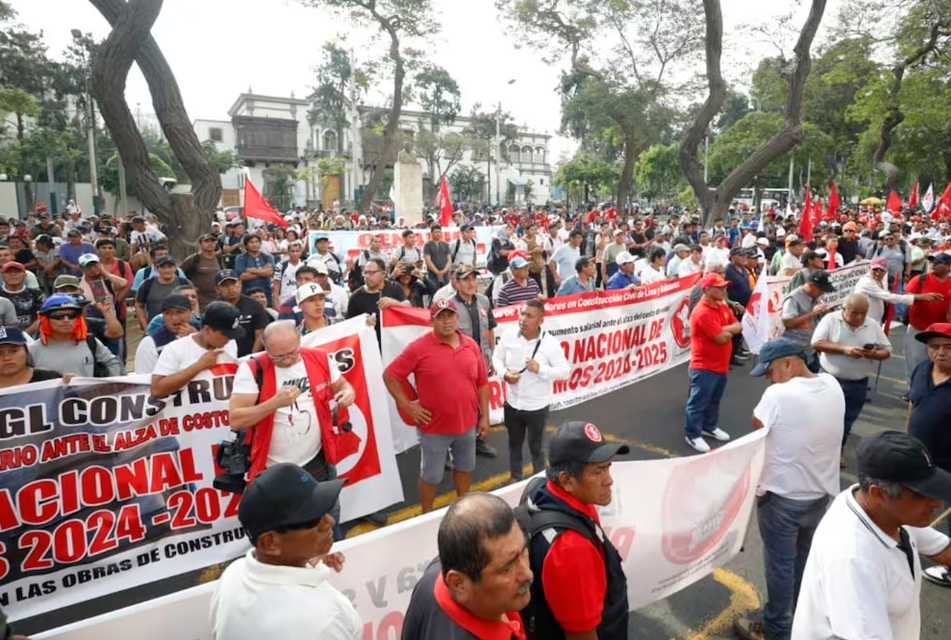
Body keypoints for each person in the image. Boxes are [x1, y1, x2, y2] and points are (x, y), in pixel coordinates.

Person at [791, 431, 951, 640]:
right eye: (921, 494)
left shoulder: (885, 513)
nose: (937, 503)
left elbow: (944, 550)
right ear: (879, 494)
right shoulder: (854, 559)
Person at [735, 338, 844, 640]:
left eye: (769, 371)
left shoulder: (778, 395)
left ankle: (778, 629)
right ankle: (800, 614)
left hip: (782, 497)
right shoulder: (833, 383)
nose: (768, 379)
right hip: (819, 494)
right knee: (805, 559)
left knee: (780, 566)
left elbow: (759, 423)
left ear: (788, 363)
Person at [229, 321, 356, 538]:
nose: (287, 360)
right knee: (285, 530)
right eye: (278, 357)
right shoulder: (252, 369)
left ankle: (334, 558)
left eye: (292, 353)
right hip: (273, 469)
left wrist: (348, 393)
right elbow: (236, 420)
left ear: (300, 343)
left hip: (317, 459)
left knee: (329, 518)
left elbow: (343, 385)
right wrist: (274, 403)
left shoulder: (318, 357)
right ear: (265, 349)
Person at [210, 463, 359, 640]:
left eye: (324, 511)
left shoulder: (233, 575)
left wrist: (307, 561)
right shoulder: (325, 620)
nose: (329, 522)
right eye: (312, 520)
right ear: (270, 543)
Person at [518, 421, 630, 640]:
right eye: (597, 472)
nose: (609, 480)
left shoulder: (542, 488)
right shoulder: (572, 550)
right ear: (566, 480)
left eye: (608, 467)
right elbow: (581, 634)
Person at [383, 300, 490, 513]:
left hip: (467, 424)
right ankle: (426, 514)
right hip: (433, 429)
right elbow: (390, 375)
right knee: (431, 476)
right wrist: (406, 405)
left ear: (457, 318)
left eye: (450, 315)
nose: (446, 321)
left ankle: (464, 510)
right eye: (440, 317)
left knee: (464, 469)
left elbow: (482, 384)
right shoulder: (418, 348)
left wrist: (485, 416)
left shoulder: (471, 345)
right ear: (431, 321)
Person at [402, 493, 532, 640]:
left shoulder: (440, 572)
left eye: (523, 552)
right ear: (458, 583)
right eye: (507, 569)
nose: (528, 574)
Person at [492, 300, 570, 482]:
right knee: (514, 444)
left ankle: (540, 482)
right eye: (522, 314)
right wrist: (504, 374)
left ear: (540, 321)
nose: (523, 319)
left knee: (537, 448)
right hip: (512, 404)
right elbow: (497, 358)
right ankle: (515, 477)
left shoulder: (550, 343)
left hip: (537, 407)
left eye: (529, 316)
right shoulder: (508, 335)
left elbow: (565, 372)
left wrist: (541, 369)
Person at [811, 294, 892, 461]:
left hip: (858, 383)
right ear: (844, 309)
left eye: (863, 313)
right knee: (822, 417)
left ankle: (837, 451)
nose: (860, 317)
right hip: (830, 379)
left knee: (846, 420)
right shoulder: (831, 320)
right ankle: (816, 451)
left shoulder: (872, 325)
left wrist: (873, 354)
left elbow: (887, 351)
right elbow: (817, 343)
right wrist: (844, 350)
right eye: (855, 313)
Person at [684, 272, 741, 452]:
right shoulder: (702, 312)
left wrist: (726, 329)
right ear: (708, 290)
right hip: (704, 366)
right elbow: (720, 338)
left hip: (720, 364)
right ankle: (692, 434)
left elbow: (738, 326)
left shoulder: (722, 306)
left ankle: (709, 426)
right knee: (698, 402)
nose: (724, 290)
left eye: (725, 287)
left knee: (714, 400)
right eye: (720, 287)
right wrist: (728, 330)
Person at [151, 301, 242, 398]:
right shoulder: (175, 349)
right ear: (207, 329)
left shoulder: (231, 343)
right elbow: (157, 390)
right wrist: (199, 366)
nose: (229, 339)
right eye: (225, 334)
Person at [29, 295, 122, 377]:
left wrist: (109, 387)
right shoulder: (32, 350)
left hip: (87, 396)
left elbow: (113, 363)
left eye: (71, 315)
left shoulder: (90, 342)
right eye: (58, 316)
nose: (66, 320)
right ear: (45, 319)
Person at [903, 253, 951, 387]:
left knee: (938, 362)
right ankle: (912, 390)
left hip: (940, 334)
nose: (933, 264)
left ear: (947, 266)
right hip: (918, 328)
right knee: (915, 361)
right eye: (932, 262)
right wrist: (922, 297)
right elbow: (905, 295)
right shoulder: (920, 279)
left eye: (938, 262)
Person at [853, 256, 940, 326]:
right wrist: (919, 297)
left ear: (886, 271)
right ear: (869, 268)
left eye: (881, 270)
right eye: (875, 270)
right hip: (864, 323)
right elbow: (889, 297)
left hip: (874, 322)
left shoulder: (880, 280)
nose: (878, 273)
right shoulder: (866, 282)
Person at [781, 270, 836, 371]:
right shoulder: (794, 298)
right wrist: (813, 313)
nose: (822, 293)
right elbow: (788, 322)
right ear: (811, 285)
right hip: (795, 349)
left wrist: (825, 312)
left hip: (810, 348)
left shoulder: (816, 297)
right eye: (821, 290)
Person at [346, 258, 407, 344]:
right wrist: (362, 323)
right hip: (371, 345)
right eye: (365, 272)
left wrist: (394, 302)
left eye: (371, 273)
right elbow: (349, 326)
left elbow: (408, 307)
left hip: (394, 343)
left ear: (383, 274)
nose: (367, 276)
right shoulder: (355, 297)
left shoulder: (394, 287)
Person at [135, 294, 197, 374]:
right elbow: (144, 378)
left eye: (180, 312)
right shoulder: (150, 343)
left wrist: (196, 338)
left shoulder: (203, 333)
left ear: (190, 314)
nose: (174, 318)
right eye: (168, 313)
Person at [215, 269, 272, 357]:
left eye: (233, 283)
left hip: (249, 357)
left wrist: (252, 358)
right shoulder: (213, 309)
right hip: (221, 358)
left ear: (240, 284)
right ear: (217, 289)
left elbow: (260, 334)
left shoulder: (255, 306)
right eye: (225, 285)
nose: (230, 288)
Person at [135, 255, 191, 329]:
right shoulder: (147, 284)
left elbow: (194, 303)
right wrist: (146, 327)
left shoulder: (184, 283)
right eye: (163, 267)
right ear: (156, 268)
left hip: (181, 328)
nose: (166, 270)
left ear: (175, 268)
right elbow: (139, 305)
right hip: (155, 328)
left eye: (169, 267)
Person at [181, 233, 224, 309]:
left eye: (212, 241)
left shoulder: (218, 258)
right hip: (200, 301)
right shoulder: (194, 259)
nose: (210, 244)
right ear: (200, 244)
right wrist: (190, 287)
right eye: (206, 241)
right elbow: (179, 274)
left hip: (217, 299)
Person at [0, 261, 44, 333]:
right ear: (2, 276)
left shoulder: (36, 293)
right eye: (8, 272)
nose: (13, 274)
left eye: (17, 272)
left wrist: (25, 334)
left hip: (33, 336)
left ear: (25, 275)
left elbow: (43, 317)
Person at [235, 234, 276, 306]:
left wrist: (252, 270)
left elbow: (270, 272)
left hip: (266, 294)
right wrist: (263, 271)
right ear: (246, 245)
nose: (254, 244)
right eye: (251, 242)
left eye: (257, 242)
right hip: (247, 294)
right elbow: (242, 277)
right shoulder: (241, 258)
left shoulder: (268, 257)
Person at [271, 240, 304, 305]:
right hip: (285, 301)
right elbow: (276, 284)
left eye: (297, 251)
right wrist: (275, 301)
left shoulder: (305, 265)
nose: (295, 253)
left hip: (302, 301)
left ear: (301, 252)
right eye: (292, 251)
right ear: (288, 252)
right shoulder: (280, 265)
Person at [423, 224, 452, 289]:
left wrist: (443, 271)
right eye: (436, 232)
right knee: (433, 293)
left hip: (445, 275)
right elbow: (428, 261)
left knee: (445, 293)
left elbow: (449, 260)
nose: (438, 234)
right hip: (432, 275)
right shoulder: (428, 245)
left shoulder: (445, 245)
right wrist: (437, 272)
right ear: (432, 233)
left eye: (439, 232)